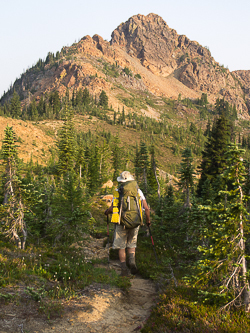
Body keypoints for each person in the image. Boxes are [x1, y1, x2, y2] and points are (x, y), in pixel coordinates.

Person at [104, 171, 151, 276]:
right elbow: (146, 208)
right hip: (135, 221)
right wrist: (148, 221)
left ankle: (124, 269)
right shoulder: (138, 191)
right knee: (132, 244)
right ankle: (132, 264)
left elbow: (112, 207)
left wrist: (106, 212)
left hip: (121, 222)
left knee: (121, 246)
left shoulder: (118, 191)